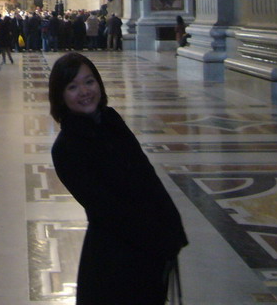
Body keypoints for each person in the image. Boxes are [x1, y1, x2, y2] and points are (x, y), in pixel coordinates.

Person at [49, 53, 187, 305]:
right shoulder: (66, 147)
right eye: (72, 87)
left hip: (150, 247)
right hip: (113, 255)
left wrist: (172, 223)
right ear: (60, 96)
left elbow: (146, 174)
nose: (84, 91)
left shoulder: (111, 120)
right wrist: (156, 239)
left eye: (89, 82)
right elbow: (105, 208)